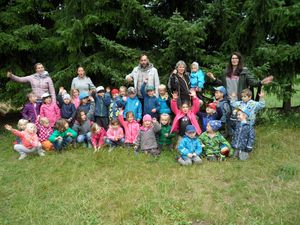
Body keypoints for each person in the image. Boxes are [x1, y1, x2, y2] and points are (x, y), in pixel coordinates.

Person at [207, 52, 273, 100]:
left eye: (236, 58)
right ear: (230, 60)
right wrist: (213, 78)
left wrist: (261, 82)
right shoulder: (226, 72)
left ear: (239, 60)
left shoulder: (244, 71)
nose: (234, 60)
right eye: (232, 58)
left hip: (239, 101)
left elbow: (252, 82)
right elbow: (223, 84)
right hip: (227, 100)